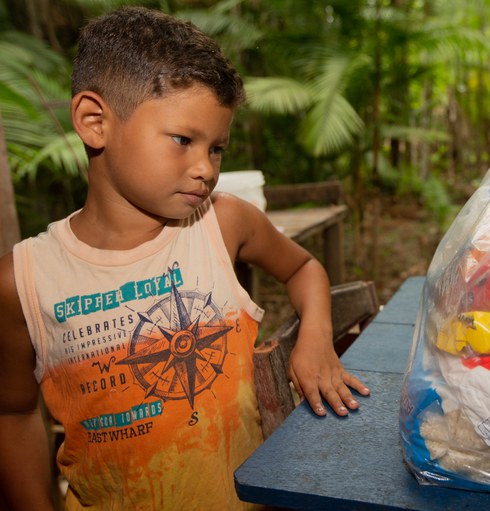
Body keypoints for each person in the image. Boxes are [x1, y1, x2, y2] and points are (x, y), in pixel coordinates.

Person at [0, 6, 369, 510]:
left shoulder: (223, 224)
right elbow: (14, 414)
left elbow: (304, 268)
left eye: (216, 148)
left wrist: (316, 339)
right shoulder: (22, 281)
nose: (206, 169)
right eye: (183, 141)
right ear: (94, 121)